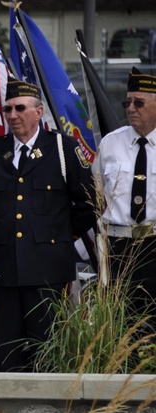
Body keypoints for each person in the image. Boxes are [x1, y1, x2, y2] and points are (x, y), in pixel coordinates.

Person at [0, 79, 97, 372]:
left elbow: (89, 204)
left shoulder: (62, 150)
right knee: (6, 358)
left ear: (39, 112)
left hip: (48, 275)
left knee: (48, 357)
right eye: (8, 109)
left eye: (20, 108)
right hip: (4, 273)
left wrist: (60, 237)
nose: (13, 115)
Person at [95, 67, 156, 314]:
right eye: (127, 102)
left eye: (139, 103)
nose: (131, 109)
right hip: (118, 246)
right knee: (119, 321)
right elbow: (96, 194)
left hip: (154, 244)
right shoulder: (110, 143)